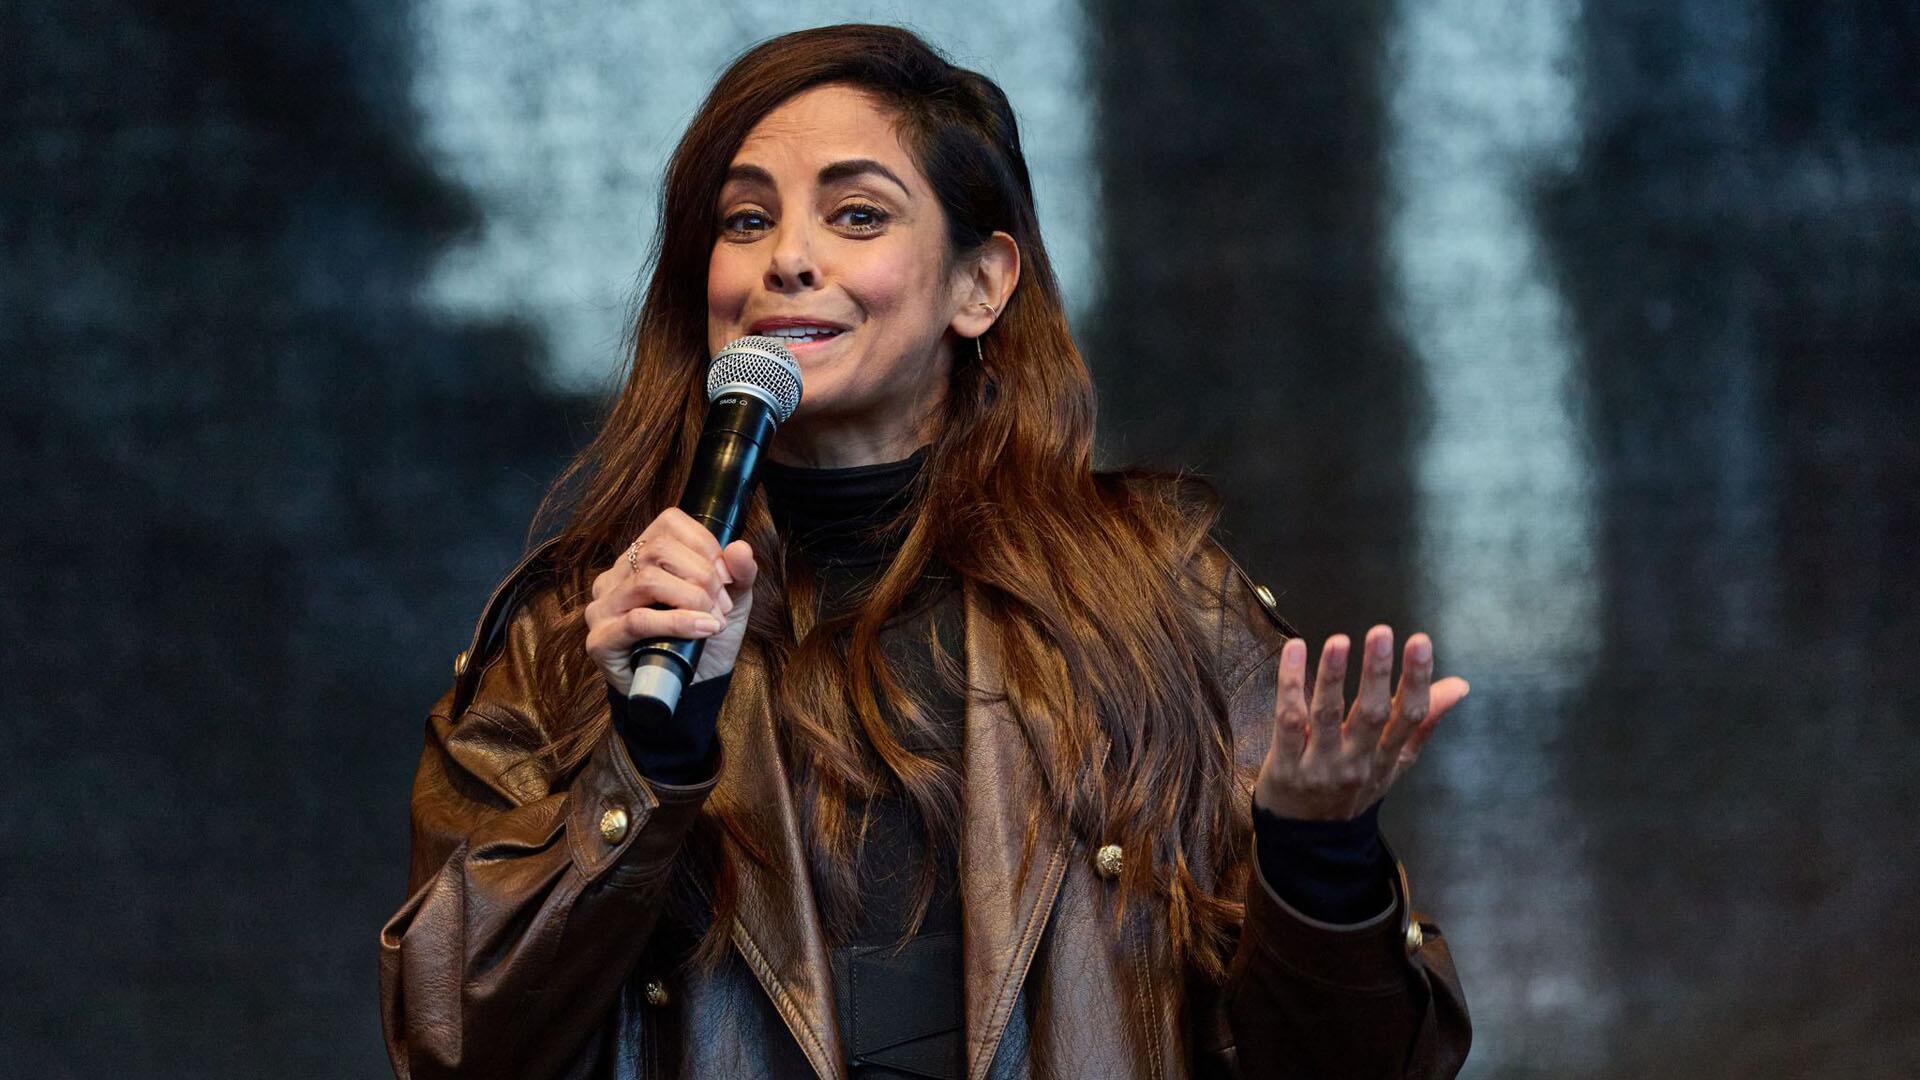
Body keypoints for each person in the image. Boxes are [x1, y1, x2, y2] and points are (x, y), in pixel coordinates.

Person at [379, 23, 1471, 1080]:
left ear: (979, 285)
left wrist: (1319, 861)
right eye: (745, 221)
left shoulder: (1156, 603)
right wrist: (644, 764)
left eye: (856, 215)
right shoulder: (575, 635)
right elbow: (452, 1041)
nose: (787, 259)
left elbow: (1376, 1063)